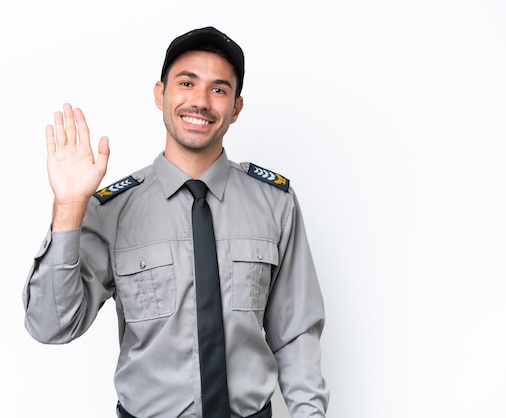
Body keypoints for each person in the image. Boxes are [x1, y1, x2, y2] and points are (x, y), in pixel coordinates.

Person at [23, 26, 329, 418]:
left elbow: (296, 333)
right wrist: (67, 208)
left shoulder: (275, 203)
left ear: (235, 108)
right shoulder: (113, 210)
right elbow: (51, 326)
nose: (200, 101)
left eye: (219, 89)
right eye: (187, 83)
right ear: (160, 94)